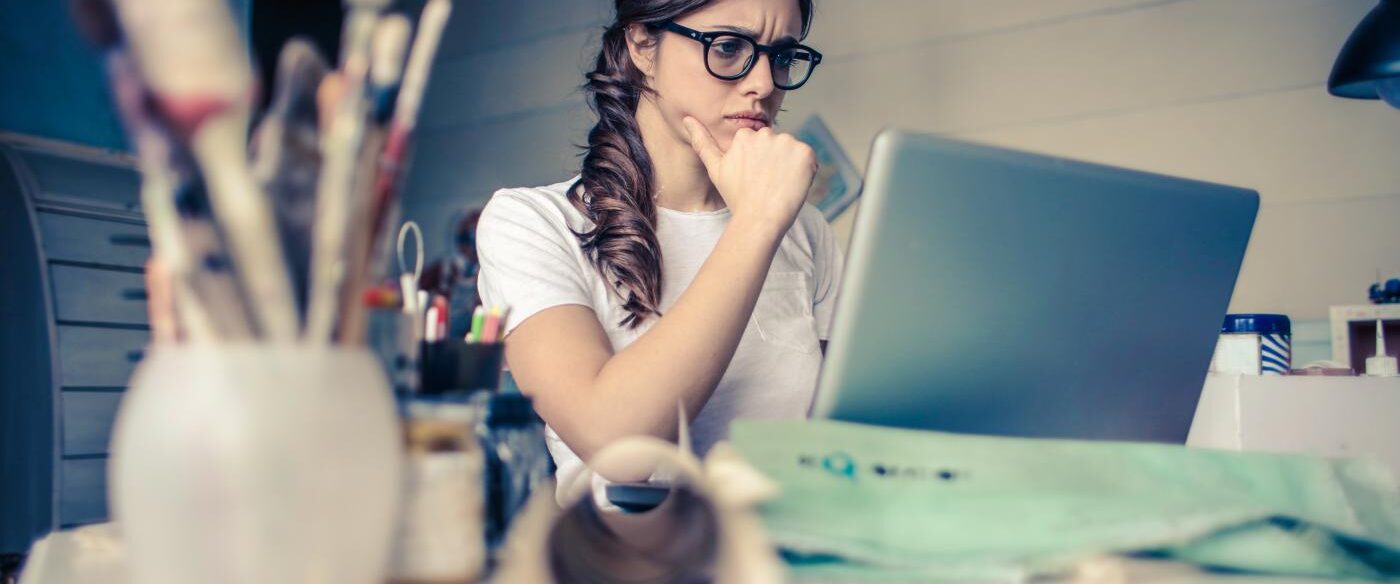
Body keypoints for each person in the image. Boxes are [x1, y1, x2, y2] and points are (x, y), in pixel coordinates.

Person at [475, 0, 838, 497]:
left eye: (781, 55)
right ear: (643, 44)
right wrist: (756, 222)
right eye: (728, 47)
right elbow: (618, 447)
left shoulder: (806, 231)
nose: (765, 84)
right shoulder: (531, 223)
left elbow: (842, 440)